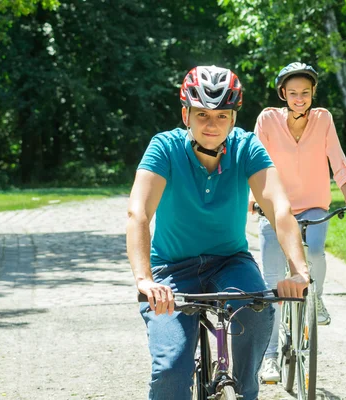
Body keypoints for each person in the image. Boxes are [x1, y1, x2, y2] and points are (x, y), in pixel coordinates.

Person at [126, 65, 310, 400]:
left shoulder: (247, 147)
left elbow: (279, 210)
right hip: (171, 270)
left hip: (229, 262)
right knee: (170, 370)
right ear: (186, 114)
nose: (213, 125)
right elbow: (138, 213)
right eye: (203, 115)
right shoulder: (164, 148)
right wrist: (144, 280)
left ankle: (243, 390)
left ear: (233, 118)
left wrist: (298, 271)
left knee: (256, 311)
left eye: (222, 116)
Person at [249, 62, 346, 383]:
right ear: (283, 94)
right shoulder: (268, 120)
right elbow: (254, 160)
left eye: (305, 93)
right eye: (293, 93)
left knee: (314, 254)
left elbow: (337, 159)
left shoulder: (323, 119)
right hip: (276, 207)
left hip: (314, 205)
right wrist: (252, 196)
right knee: (272, 281)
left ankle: (317, 299)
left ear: (313, 93)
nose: (299, 98)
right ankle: (269, 358)